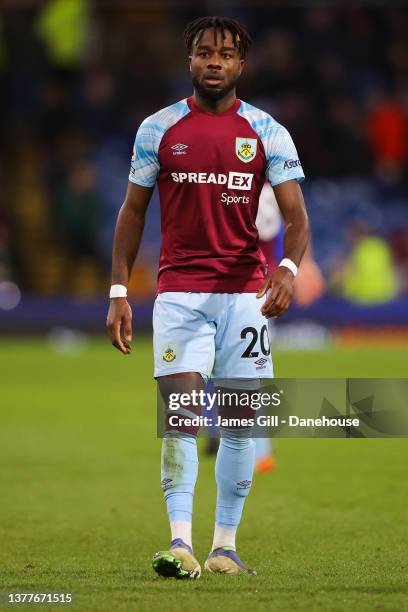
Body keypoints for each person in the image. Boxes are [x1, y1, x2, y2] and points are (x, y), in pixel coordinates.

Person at [106, 16, 309, 578]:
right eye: (203, 53)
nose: (214, 62)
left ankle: (225, 546)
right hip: (179, 295)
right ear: (189, 61)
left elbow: (296, 218)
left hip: (246, 297)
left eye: (225, 54)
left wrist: (288, 268)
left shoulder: (267, 132)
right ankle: (179, 543)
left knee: (241, 423)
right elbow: (132, 212)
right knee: (180, 416)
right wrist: (120, 289)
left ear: (241, 65)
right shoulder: (158, 129)